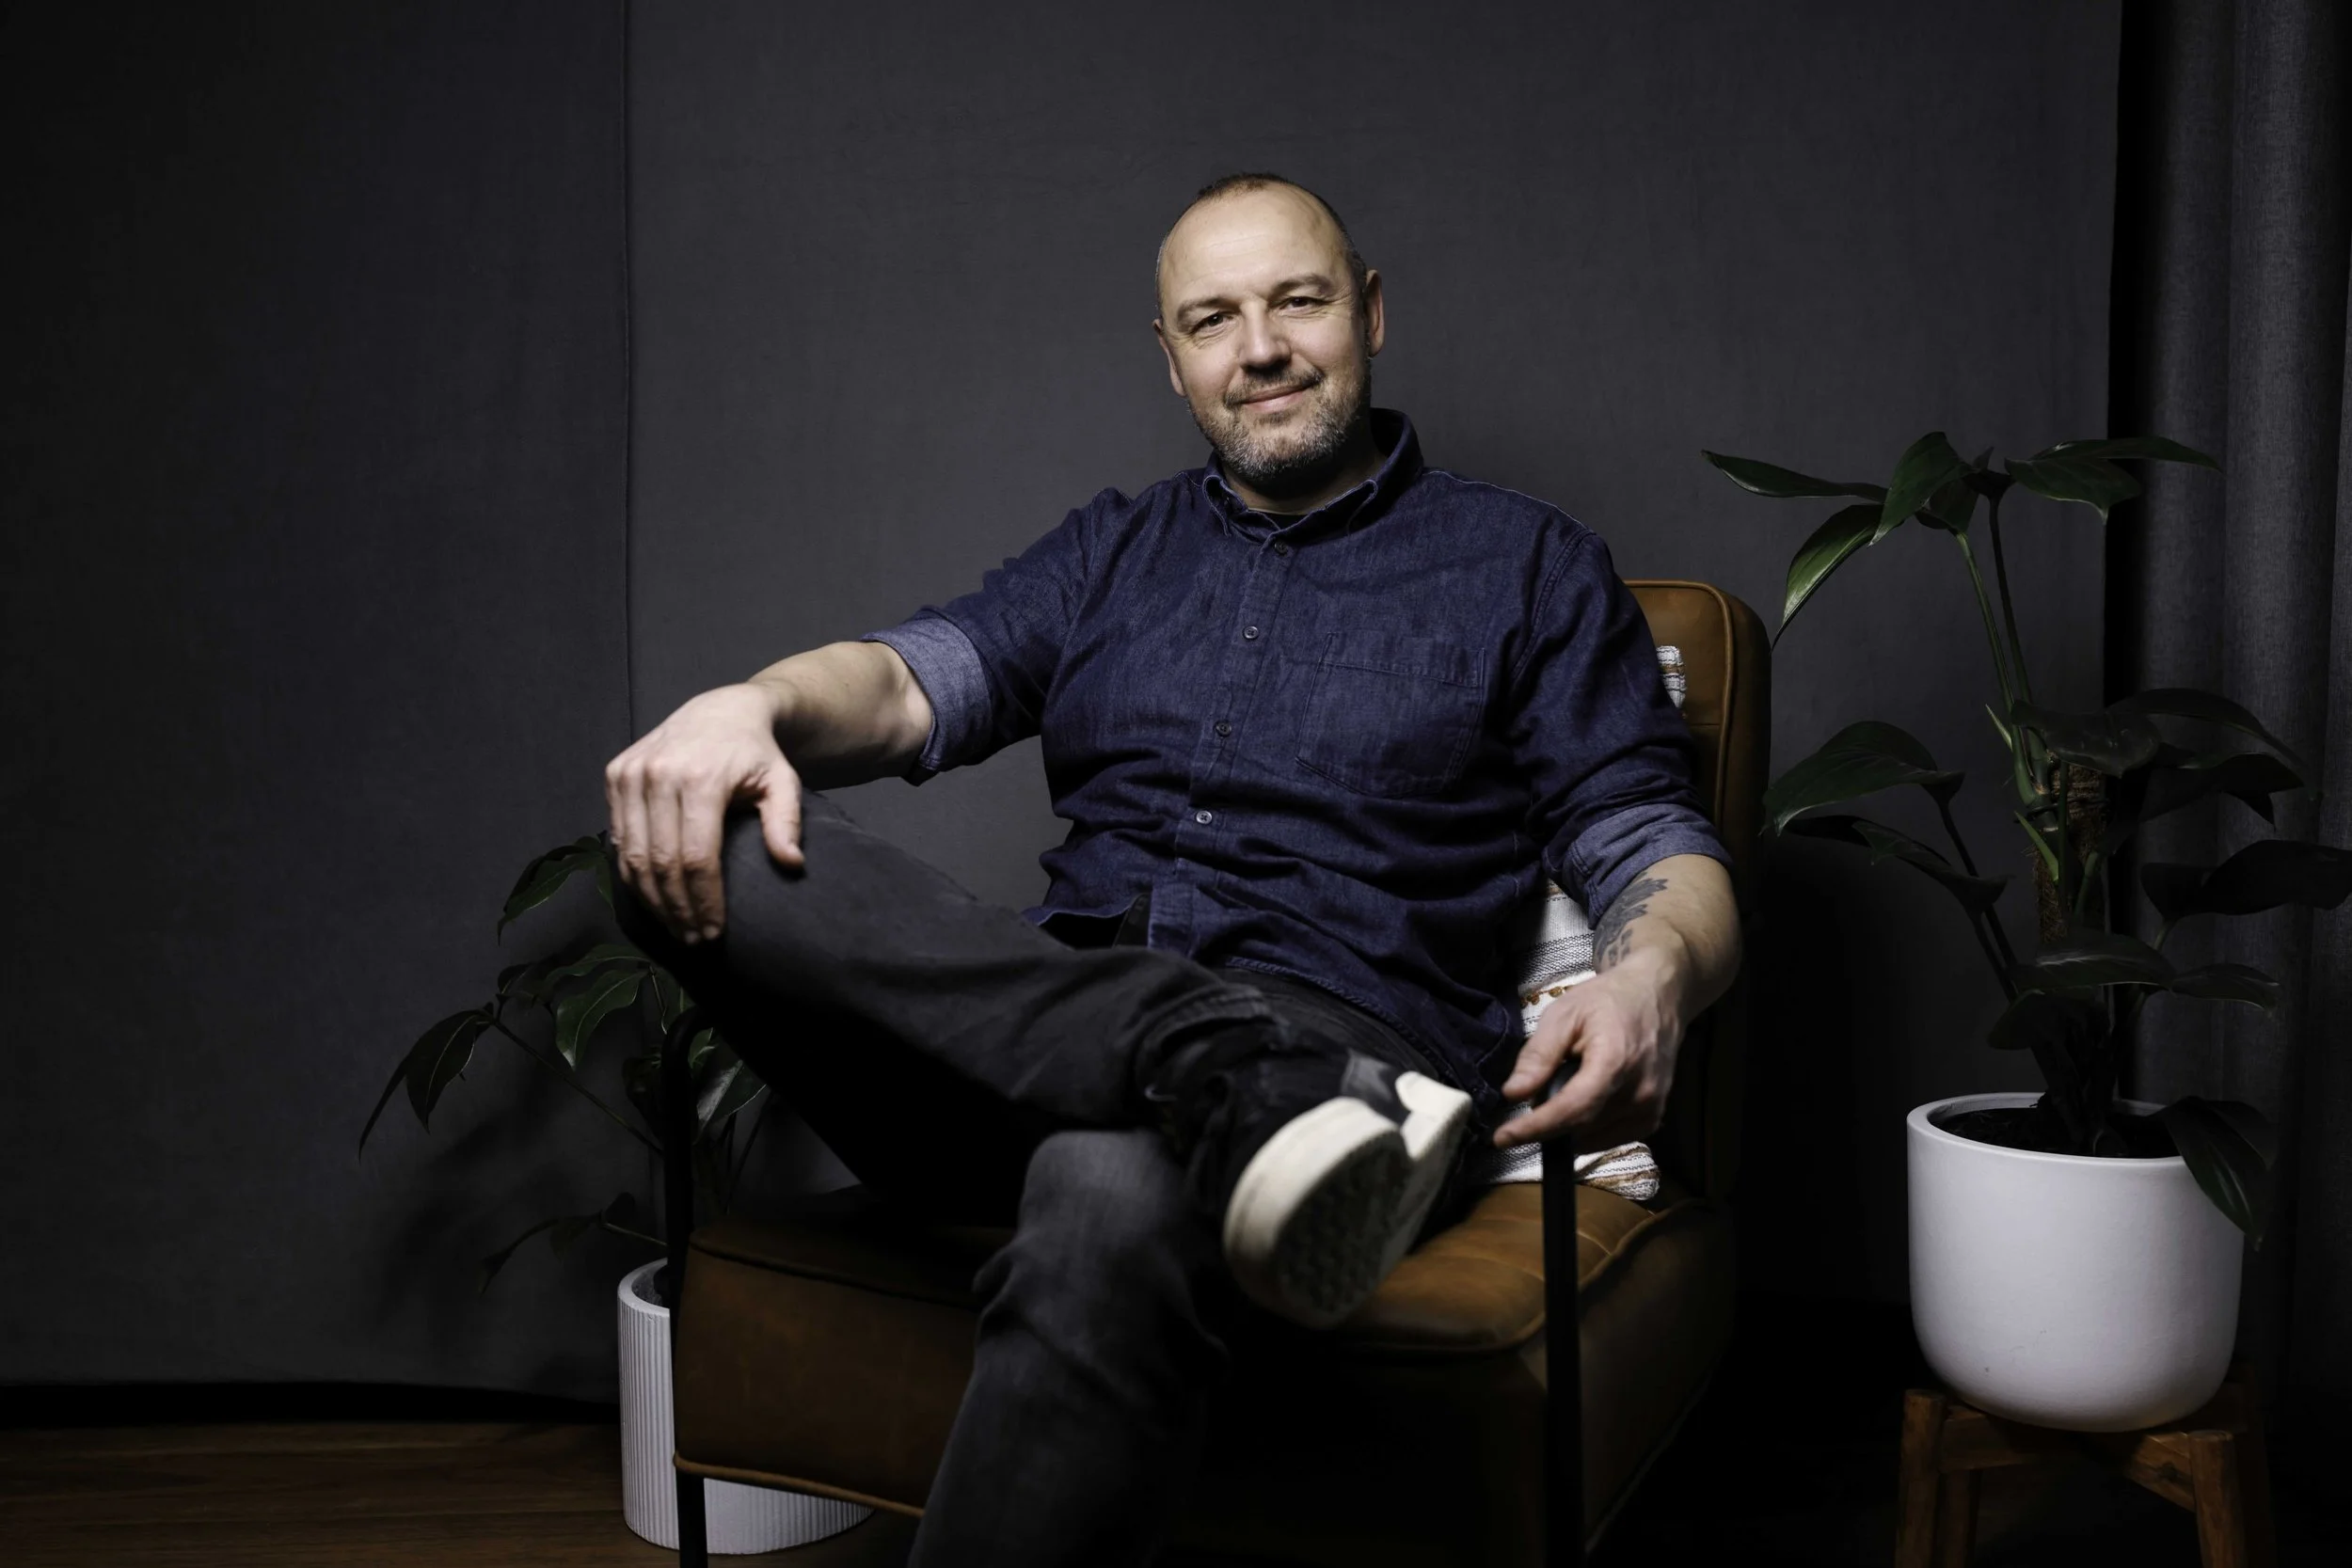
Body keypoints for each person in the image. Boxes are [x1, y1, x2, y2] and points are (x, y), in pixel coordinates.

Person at [604, 172, 1742, 1566]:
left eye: (1297, 302)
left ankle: (1240, 1081)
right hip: (1022, 1046)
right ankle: (1205, 1059)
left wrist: (1653, 977)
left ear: (1370, 313)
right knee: (687, 829)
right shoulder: (1113, 551)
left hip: (1346, 1075)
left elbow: (1651, 840)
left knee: (1115, 1193)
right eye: (1213, 319)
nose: (1259, 348)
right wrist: (752, 706)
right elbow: (905, 686)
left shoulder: (1528, 566)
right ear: (1171, 355)